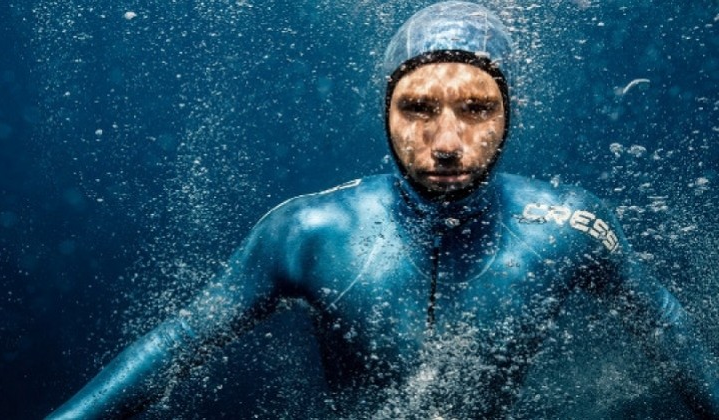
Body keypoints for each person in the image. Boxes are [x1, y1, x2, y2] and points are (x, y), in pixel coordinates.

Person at [47, 2, 719, 418]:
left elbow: (664, 321)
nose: (448, 143)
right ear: (385, 113)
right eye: (418, 108)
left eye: (476, 108)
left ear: (509, 116)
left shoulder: (571, 229)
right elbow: (179, 342)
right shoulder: (307, 234)